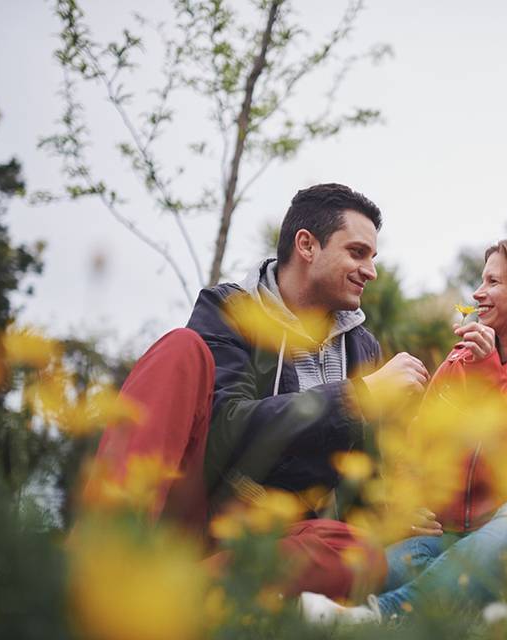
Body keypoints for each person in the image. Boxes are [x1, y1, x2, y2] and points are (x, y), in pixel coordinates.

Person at [86, 183, 429, 600]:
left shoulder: (363, 349)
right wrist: (357, 397)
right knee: (180, 348)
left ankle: (176, 597)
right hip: (198, 508)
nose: (371, 271)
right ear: (307, 245)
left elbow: (360, 478)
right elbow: (226, 427)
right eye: (357, 252)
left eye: (372, 257)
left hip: (271, 540)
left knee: (358, 551)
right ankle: (104, 557)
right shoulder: (229, 311)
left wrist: (396, 514)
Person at [301, 238, 507, 623]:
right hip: (455, 540)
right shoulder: (458, 363)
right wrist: (407, 502)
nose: (478, 293)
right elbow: (415, 447)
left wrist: (491, 376)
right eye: (482, 281)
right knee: (380, 570)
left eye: (494, 282)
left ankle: (386, 619)